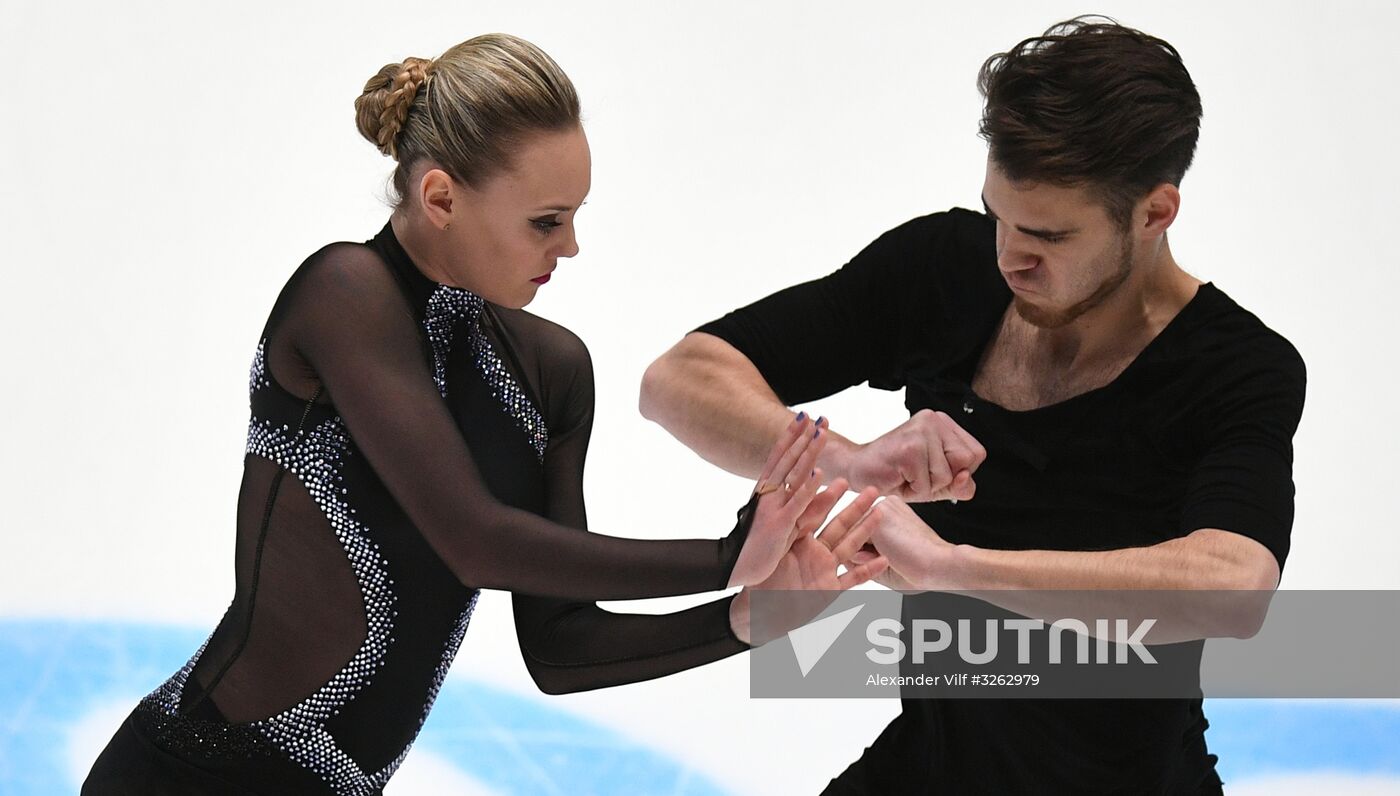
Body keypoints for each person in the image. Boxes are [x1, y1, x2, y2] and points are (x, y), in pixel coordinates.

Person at [81, 33, 886, 795]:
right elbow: (474, 542)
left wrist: (743, 617)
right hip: (190, 775)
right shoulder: (343, 295)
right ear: (440, 197)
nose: (569, 247)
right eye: (546, 220)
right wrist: (723, 555)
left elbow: (561, 650)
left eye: (574, 215)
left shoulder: (550, 372)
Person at [640, 17, 1306, 795]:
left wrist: (951, 568)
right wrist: (846, 460)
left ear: (1155, 213)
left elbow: (1234, 590)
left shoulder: (1235, 367)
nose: (1009, 257)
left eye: (1048, 236)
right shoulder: (943, 271)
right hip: (928, 767)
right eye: (998, 216)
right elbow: (679, 378)